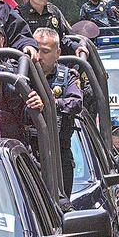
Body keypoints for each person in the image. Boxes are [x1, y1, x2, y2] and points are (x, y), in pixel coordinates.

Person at [35, 27, 82, 195]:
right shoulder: (21, 74)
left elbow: (76, 102)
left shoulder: (67, 76)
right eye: (36, 50)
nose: (39, 56)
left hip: (58, 153)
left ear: (58, 53)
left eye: (46, 51)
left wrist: (50, 103)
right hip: (29, 152)